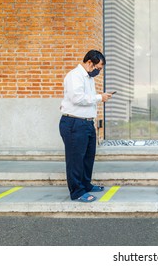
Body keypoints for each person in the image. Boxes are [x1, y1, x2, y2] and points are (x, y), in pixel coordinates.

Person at [59, 50, 113, 202]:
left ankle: (85, 184)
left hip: (87, 122)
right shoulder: (74, 75)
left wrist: (99, 97)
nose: (98, 71)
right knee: (75, 158)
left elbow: (87, 98)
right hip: (74, 123)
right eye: (98, 68)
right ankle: (77, 192)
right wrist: (98, 97)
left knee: (88, 157)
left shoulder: (88, 78)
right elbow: (77, 98)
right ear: (90, 62)